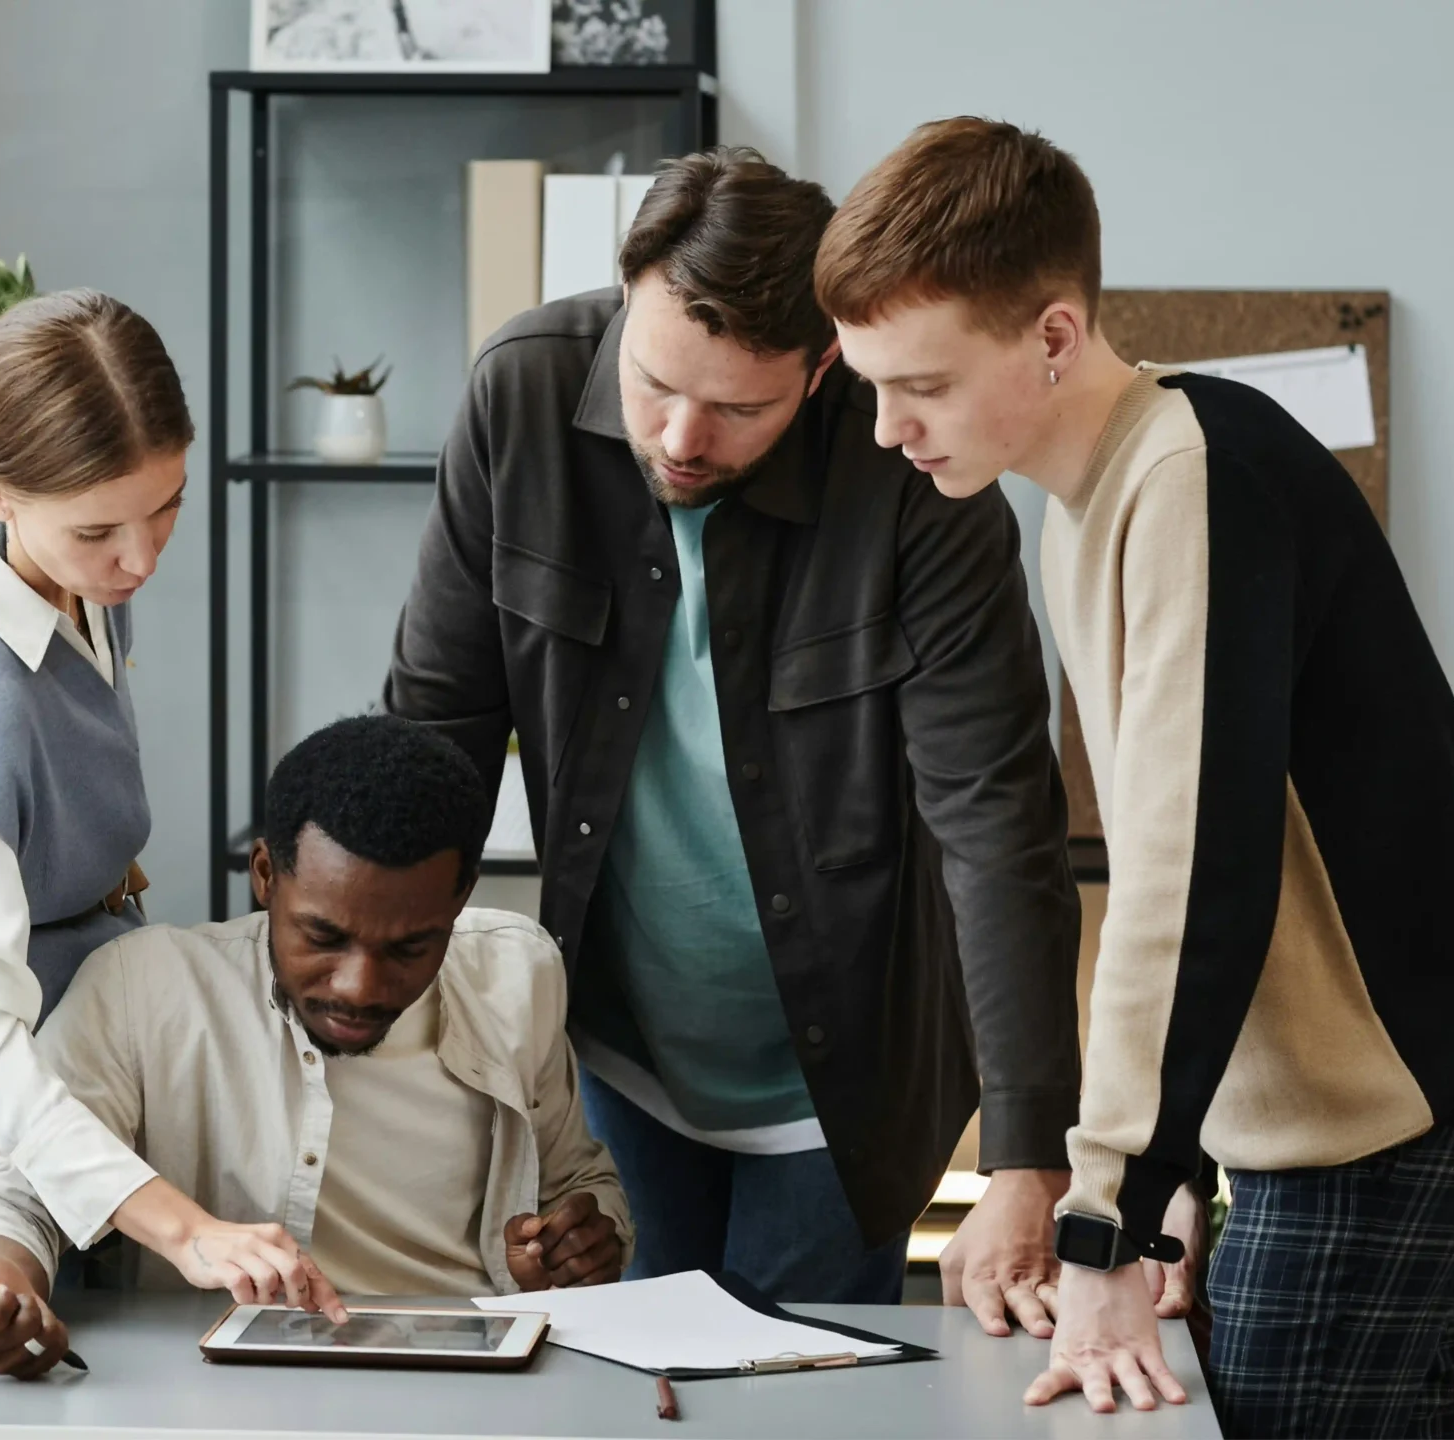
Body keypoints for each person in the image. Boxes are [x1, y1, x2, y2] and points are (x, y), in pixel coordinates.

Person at [816, 117, 1454, 1435]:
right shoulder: (1095, 503)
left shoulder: (1194, 479)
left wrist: (1110, 1229)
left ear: (1054, 335)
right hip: (1349, 1108)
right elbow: (1183, 859)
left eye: (920, 383)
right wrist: (1175, 1169)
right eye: (868, 385)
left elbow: (1189, 882)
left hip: (1383, 1108)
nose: (885, 428)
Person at [384, 148, 1083, 1329]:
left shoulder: (913, 469)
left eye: (738, 407)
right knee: (618, 1379)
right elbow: (431, 738)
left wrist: (1026, 1155)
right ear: (623, 301)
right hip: (613, 1046)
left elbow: (996, 821)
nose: (680, 438)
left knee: (789, 1398)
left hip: (842, 1081)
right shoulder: (521, 391)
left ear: (823, 369)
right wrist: (385, 1054)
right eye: (653, 383)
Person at [0, 290, 341, 1317]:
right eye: (100, 529)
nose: (141, 561)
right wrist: (186, 1229)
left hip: (82, 1050)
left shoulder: (42, 554)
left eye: (168, 505)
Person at [0, 716, 632, 1379]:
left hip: (470, 1387)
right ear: (265, 875)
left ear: (461, 899)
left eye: (412, 947)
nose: (359, 987)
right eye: (323, 938)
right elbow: (14, 1191)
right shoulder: (146, 987)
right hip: (223, 1394)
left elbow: (575, 1182)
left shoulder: (518, 975)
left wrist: (577, 1247)